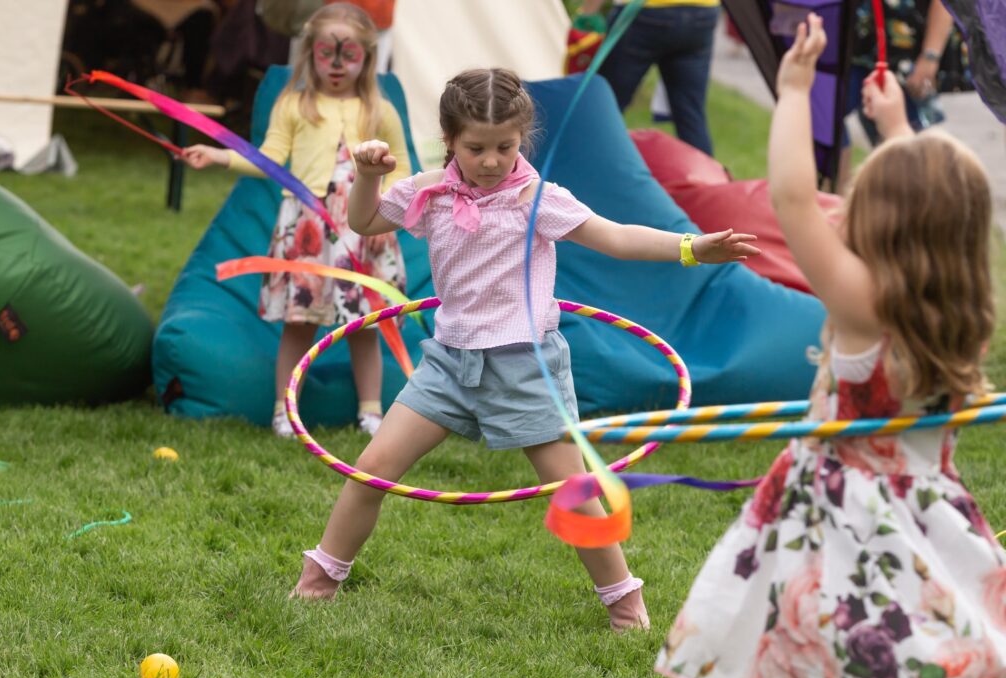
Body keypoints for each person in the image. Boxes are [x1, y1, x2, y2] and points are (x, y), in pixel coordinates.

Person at [288, 67, 760, 631]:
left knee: (573, 492)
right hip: (450, 362)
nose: (491, 160)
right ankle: (320, 579)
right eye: (476, 148)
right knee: (371, 469)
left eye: (505, 147)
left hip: (524, 365)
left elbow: (613, 236)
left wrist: (690, 247)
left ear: (523, 139)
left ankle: (623, 602)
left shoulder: (539, 200)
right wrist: (367, 175)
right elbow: (364, 221)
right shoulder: (428, 193)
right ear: (450, 141)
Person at [656, 14, 1006, 678]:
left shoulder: (861, 308)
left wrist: (794, 91)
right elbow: (929, 200)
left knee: (816, 646)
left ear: (876, 214)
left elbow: (792, 198)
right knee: (921, 637)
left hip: (841, 520)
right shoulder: (965, 313)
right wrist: (898, 127)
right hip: (931, 513)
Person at [183, 3, 410, 437]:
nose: (338, 65)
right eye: (327, 54)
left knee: (364, 324)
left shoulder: (379, 110)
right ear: (310, 53)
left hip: (362, 229)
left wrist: (391, 209)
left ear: (366, 56)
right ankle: (284, 410)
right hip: (306, 228)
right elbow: (268, 158)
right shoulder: (294, 104)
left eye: (349, 55)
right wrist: (218, 156)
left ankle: (371, 411)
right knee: (299, 321)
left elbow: (399, 169)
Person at [838, 0, 957, 192]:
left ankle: (921, 211)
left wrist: (930, 56)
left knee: (913, 151)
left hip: (903, 55)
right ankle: (839, 203)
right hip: (851, 47)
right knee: (824, 122)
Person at [578, 0, 721, 156]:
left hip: (642, 11)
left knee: (604, 106)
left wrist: (586, 13)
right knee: (691, 114)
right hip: (701, 12)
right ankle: (711, 178)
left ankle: (579, 168)